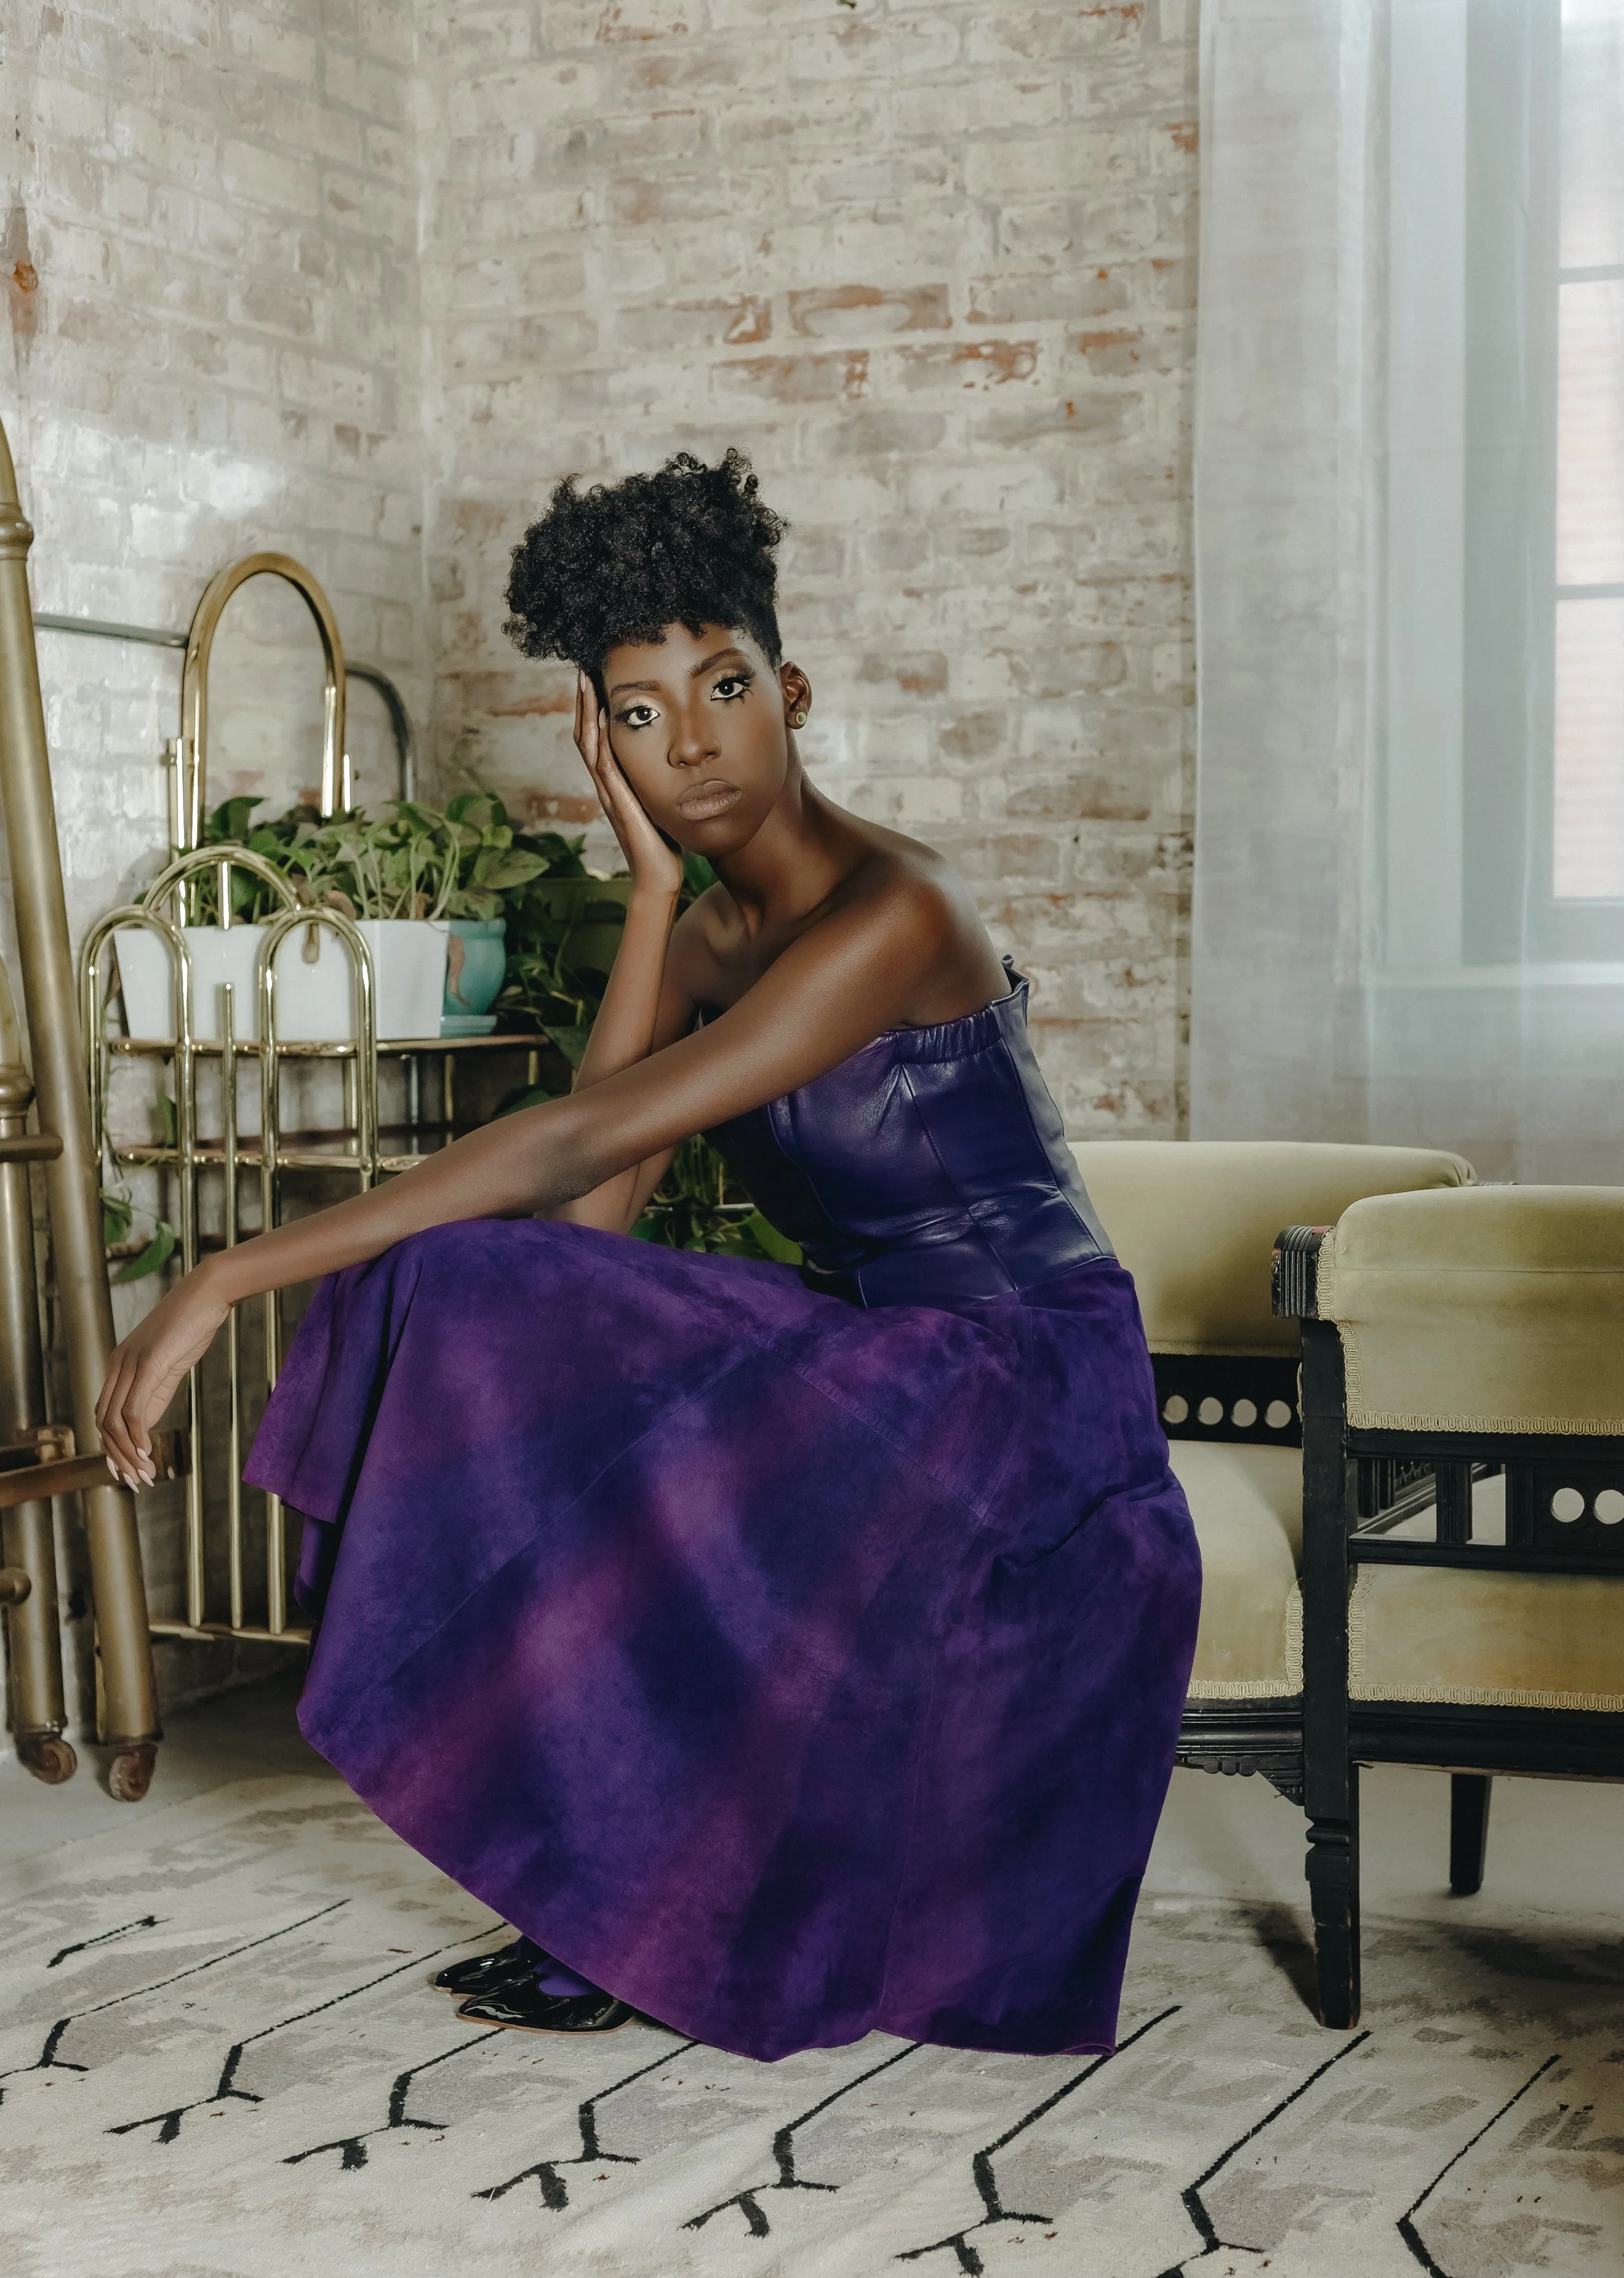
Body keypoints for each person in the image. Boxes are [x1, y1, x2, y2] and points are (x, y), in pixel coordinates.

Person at [96, 450, 1202, 2064]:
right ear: (600, 742)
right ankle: (605, 1884)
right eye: (636, 713)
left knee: (507, 1307)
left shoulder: (895, 912)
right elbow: (586, 1246)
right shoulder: (704, 937)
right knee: (464, 1290)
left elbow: (573, 1142)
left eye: (722, 688)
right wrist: (649, 900)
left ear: (789, 691)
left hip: (1028, 1391)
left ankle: (633, 1896)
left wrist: (223, 1277)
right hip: (888, 1371)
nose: (689, 743)